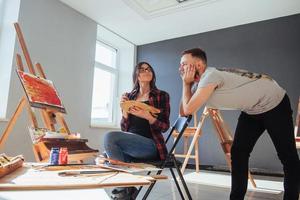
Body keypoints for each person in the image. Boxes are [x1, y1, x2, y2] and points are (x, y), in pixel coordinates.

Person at [179, 48, 300, 200]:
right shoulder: (199, 85)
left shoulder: (210, 75)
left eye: (184, 64)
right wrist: (187, 85)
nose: (180, 68)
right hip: (252, 110)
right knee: (238, 154)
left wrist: (185, 84)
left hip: (275, 102)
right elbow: (184, 111)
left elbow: (189, 108)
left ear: (198, 65)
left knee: (287, 155)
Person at [104, 61, 170, 200]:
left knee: (110, 137)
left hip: (150, 146)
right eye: (142, 69)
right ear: (136, 75)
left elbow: (164, 127)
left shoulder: (161, 95)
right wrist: (125, 112)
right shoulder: (130, 97)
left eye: (149, 69)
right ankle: (127, 190)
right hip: (132, 146)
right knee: (105, 156)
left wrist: (147, 116)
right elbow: (124, 128)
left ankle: (123, 189)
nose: (146, 71)